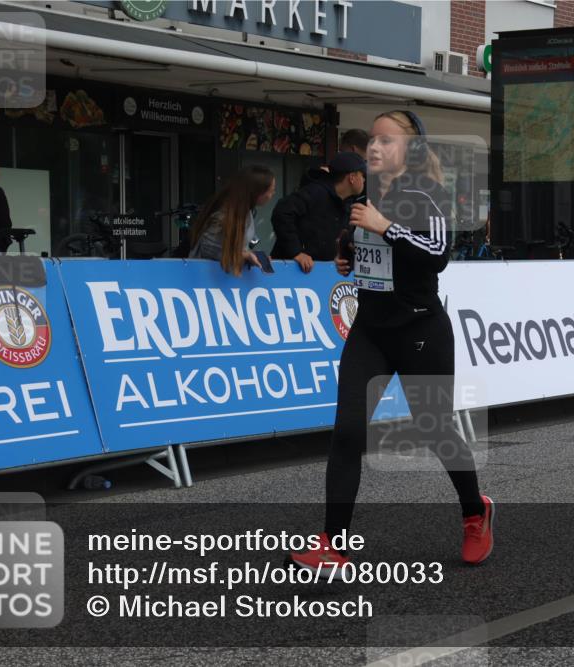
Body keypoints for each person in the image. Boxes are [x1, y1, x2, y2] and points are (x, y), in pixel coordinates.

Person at [289, 110, 493, 575]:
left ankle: (475, 512)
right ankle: (333, 544)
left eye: (386, 140)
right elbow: (361, 246)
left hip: (420, 330)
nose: (374, 148)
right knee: (348, 431)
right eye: (372, 141)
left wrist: (385, 227)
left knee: (436, 430)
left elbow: (437, 256)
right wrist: (348, 255)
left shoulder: (428, 195)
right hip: (371, 330)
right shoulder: (367, 196)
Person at [270, 152, 366, 273]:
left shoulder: (347, 204)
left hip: (322, 275)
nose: (364, 180)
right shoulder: (315, 192)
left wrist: (342, 257)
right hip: (291, 273)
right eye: (362, 175)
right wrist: (296, 252)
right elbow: (282, 212)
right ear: (352, 178)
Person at [189, 165, 275, 275]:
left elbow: (237, 247)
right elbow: (209, 248)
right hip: (204, 278)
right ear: (257, 192)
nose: (273, 194)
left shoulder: (246, 212)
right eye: (271, 190)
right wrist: (243, 255)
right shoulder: (223, 214)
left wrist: (251, 256)